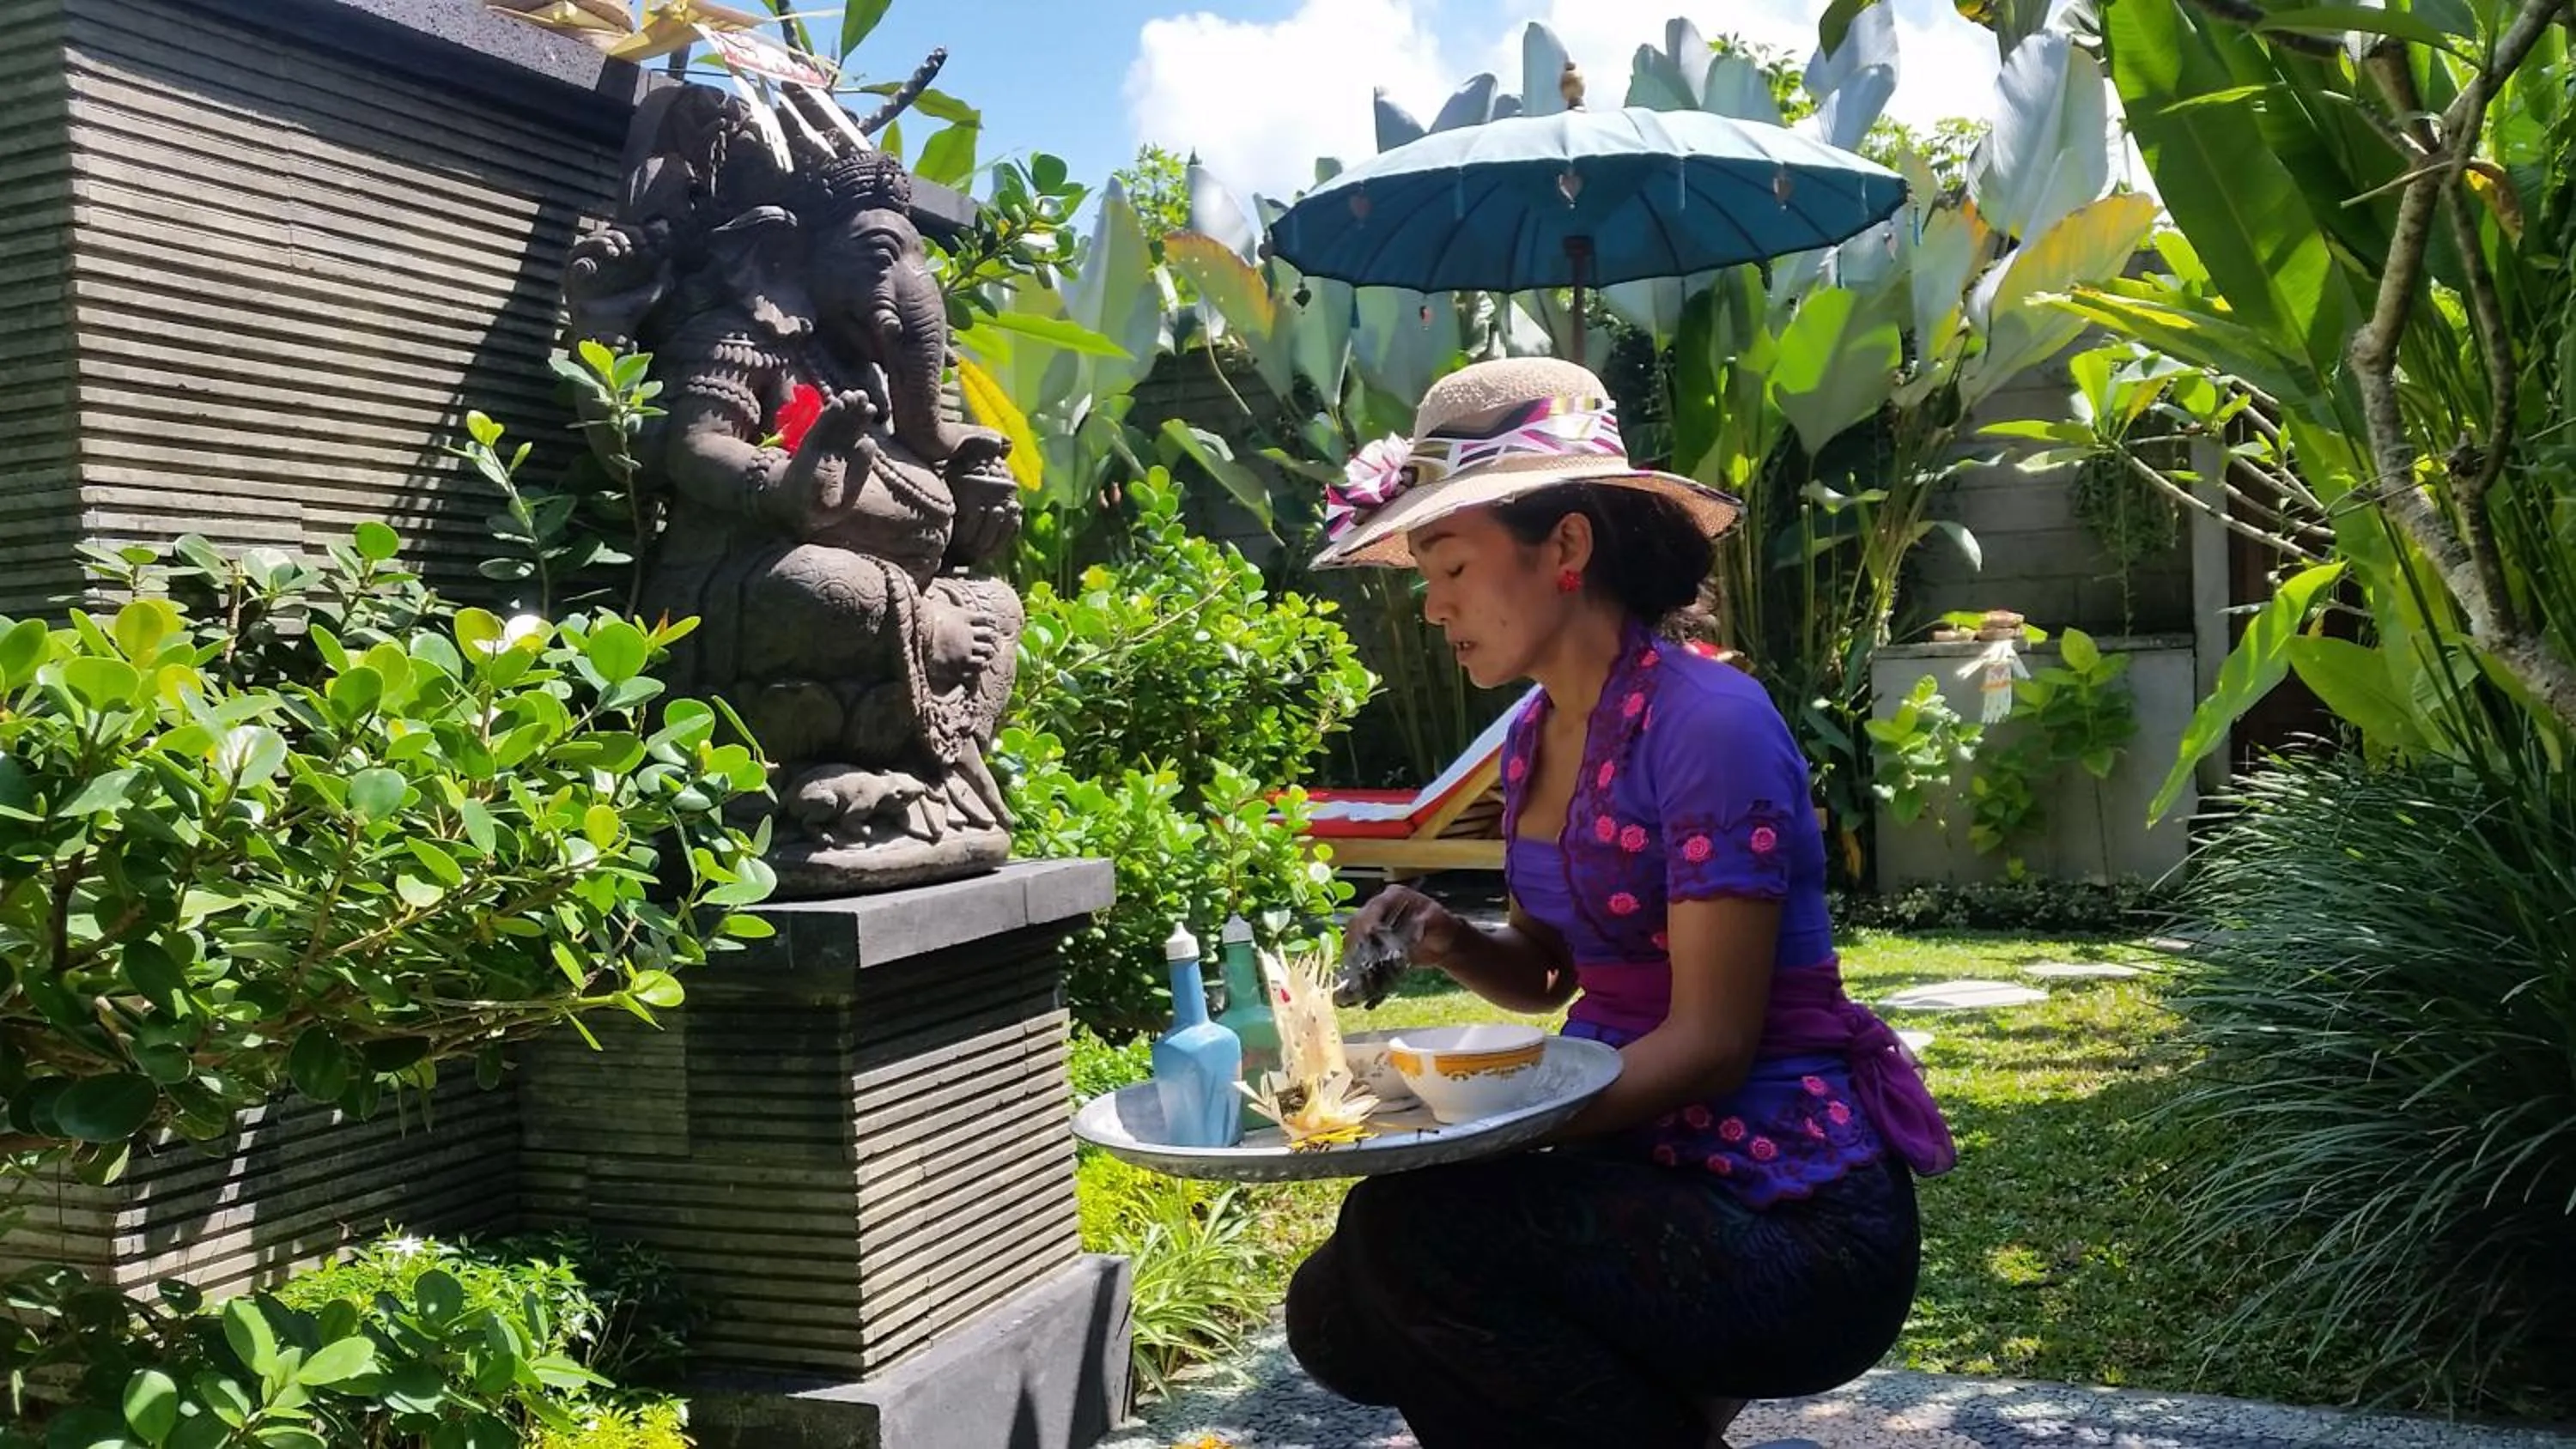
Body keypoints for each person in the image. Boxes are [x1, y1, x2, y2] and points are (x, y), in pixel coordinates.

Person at [1285, 357, 1957, 1449]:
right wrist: (1448, 936)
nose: (1433, 602)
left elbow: (1709, 1043)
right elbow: (1553, 969)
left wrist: (1476, 1127)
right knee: (1334, 1314)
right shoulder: (1536, 734)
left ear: (1566, 549)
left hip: (1786, 1204)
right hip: (1638, 1161)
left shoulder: (1709, 722)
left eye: (1450, 562)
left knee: (1413, 1245)